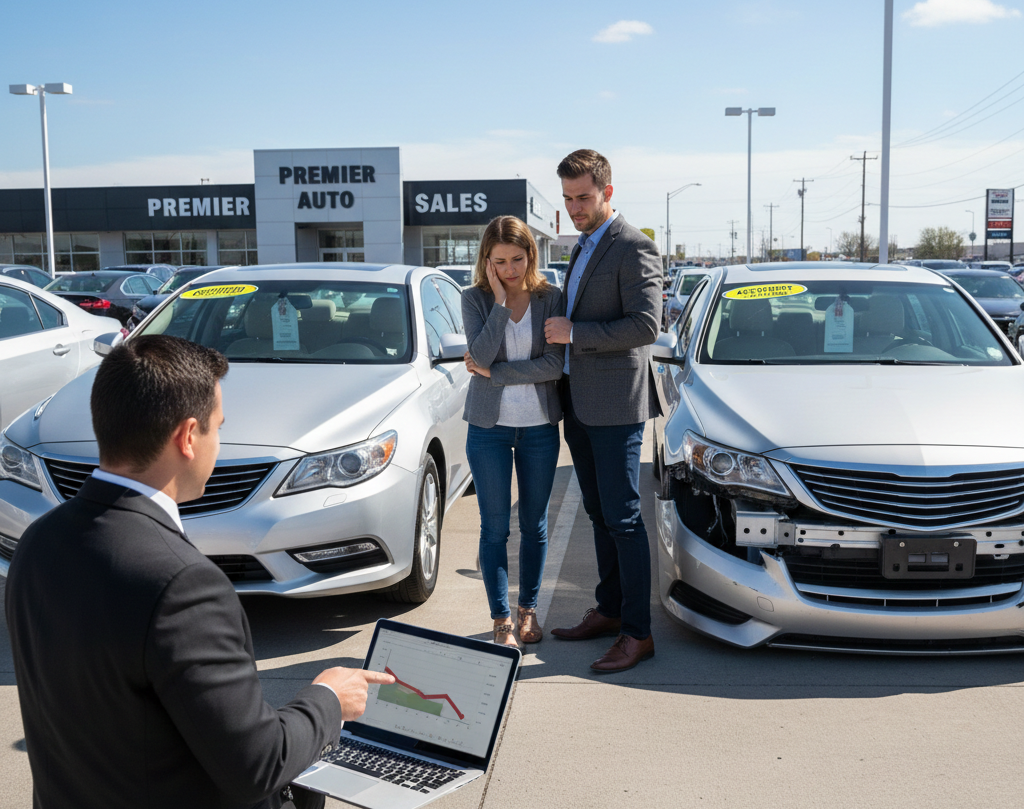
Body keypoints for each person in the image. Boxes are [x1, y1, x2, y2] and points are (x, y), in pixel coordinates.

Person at [5, 334, 394, 809]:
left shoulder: (39, 541)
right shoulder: (183, 584)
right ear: (188, 437)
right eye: (217, 428)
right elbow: (258, 765)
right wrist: (328, 699)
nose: (218, 443)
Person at [543, 149, 663, 673]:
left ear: (607, 192)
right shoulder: (584, 245)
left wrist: (576, 334)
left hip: (616, 403)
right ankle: (611, 610)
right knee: (599, 514)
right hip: (581, 402)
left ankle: (638, 633)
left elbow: (645, 326)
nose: (574, 208)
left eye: (583, 197)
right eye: (567, 199)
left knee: (624, 518)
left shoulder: (633, 246)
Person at [462, 216, 565, 648]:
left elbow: (554, 366)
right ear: (487, 261)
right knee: (494, 529)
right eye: (500, 261)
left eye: (517, 259)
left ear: (531, 255)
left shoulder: (551, 298)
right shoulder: (475, 299)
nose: (510, 269)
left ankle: (528, 611)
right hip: (489, 431)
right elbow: (478, 353)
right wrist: (501, 304)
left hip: (539, 429)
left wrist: (496, 373)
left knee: (534, 525)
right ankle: (501, 618)